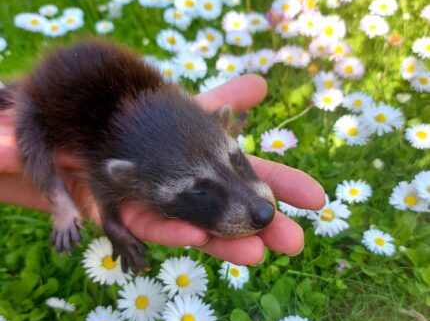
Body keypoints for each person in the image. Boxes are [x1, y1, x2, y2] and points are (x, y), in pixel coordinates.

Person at [0, 74, 324, 265]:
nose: (258, 205)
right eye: (199, 190)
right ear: (129, 179)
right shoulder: (115, 173)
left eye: (236, 160)